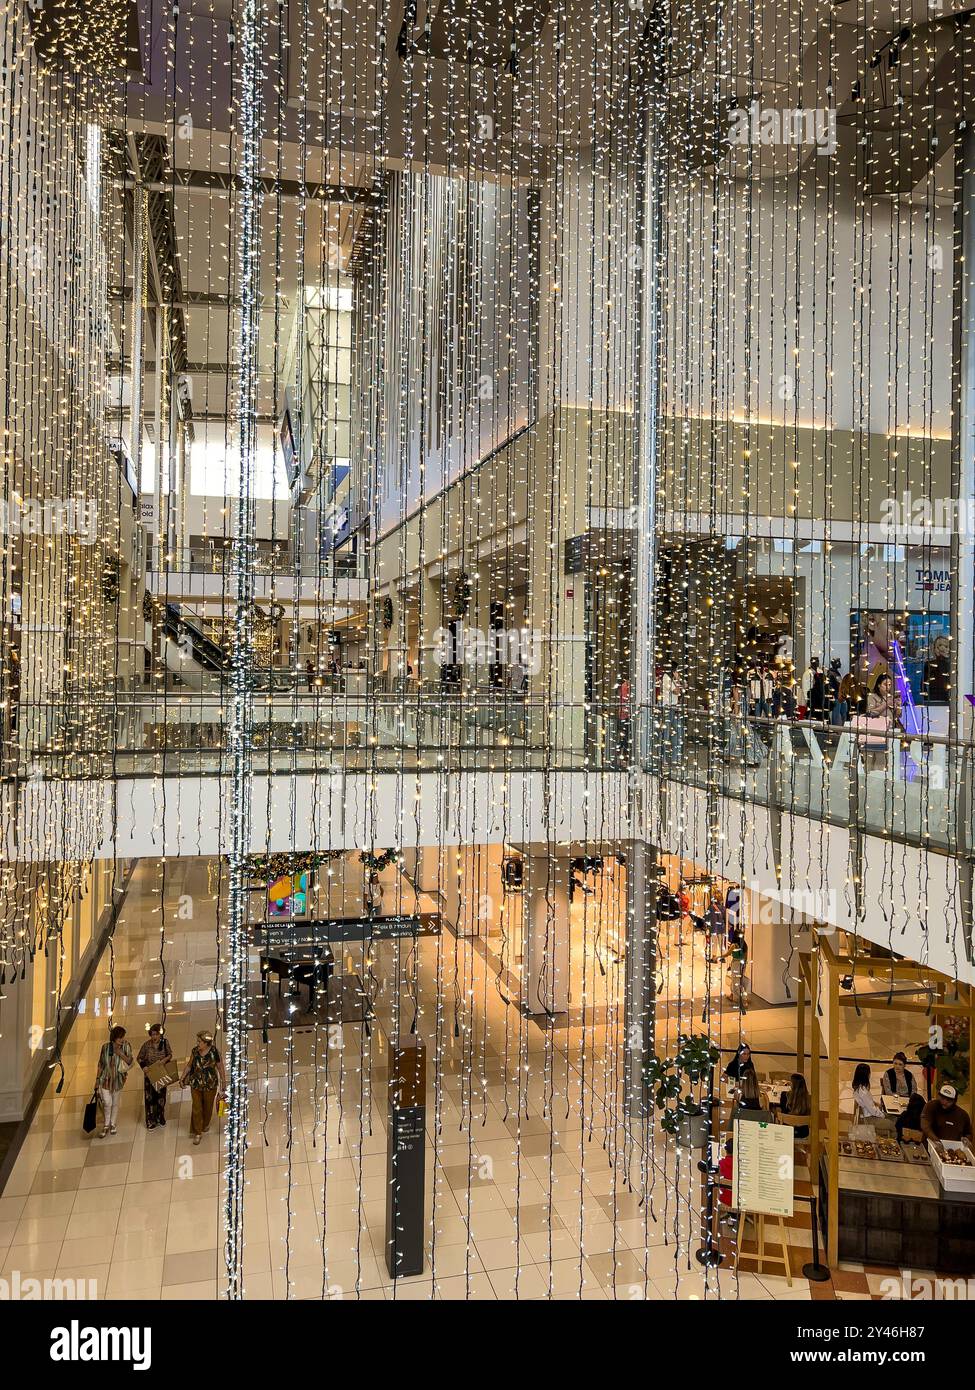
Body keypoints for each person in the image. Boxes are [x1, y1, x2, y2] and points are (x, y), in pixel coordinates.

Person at [180, 1031, 227, 1145]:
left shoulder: (214, 1052)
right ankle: (197, 1132)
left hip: (210, 1085)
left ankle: (205, 1123)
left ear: (206, 1043)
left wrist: (223, 1081)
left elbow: (220, 1067)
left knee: (208, 1106)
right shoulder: (195, 1051)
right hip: (195, 1084)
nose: (198, 1043)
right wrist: (182, 1077)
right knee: (197, 1107)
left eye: (200, 1041)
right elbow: (190, 1065)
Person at [95, 1025, 133, 1138]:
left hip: (118, 1079)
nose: (122, 1039)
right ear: (114, 1037)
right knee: (107, 1102)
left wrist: (120, 1053)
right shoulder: (105, 1047)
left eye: (123, 1037)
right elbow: (101, 1064)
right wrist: (97, 1079)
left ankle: (112, 1123)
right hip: (105, 1079)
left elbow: (130, 1061)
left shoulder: (126, 1046)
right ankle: (106, 1124)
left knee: (115, 1102)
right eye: (120, 1037)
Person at [137, 1023, 174, 1130]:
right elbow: (139, 1058)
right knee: (150, 1097)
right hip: (150, 1074)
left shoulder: (165, 1042)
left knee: (161, 1096)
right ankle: (150, 1119)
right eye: (152, 1035)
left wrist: (163, 1061)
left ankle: (160, 1116)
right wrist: (144, 1067)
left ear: (160, 1035)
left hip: (161, 1072)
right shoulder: (146, 1045)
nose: (154, 1037)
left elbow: (170, 1054)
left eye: (156, 1034)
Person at [920, 1084, 973, 1151]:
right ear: (938, 1096)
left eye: (949, 1100)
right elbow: (925, 1125)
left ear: (954, 1101)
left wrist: (967, 1140)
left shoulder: (963, 1115)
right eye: (942, 1098)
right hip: (930, 1148)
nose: (944, 1102)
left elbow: (968, 1133)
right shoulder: (931, 1106)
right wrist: (936, 1141)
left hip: (953, 1151)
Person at [780, 1072, 811, 1140]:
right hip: (803, 1133)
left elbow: (783, 1111)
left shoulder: (784, 1095)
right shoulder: (808, 1099)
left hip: (787, 1131)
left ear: (792, 1084)